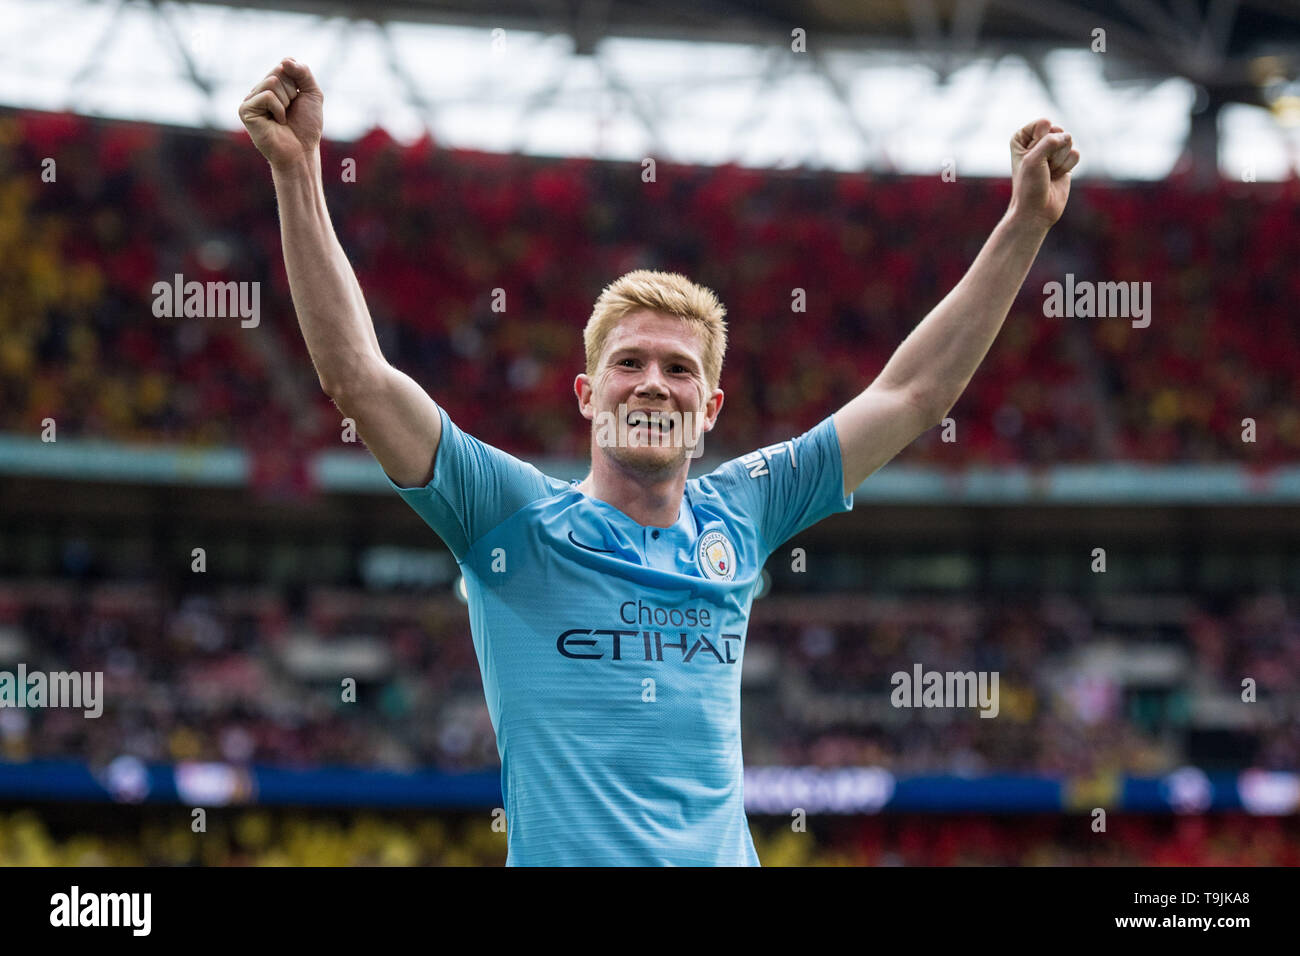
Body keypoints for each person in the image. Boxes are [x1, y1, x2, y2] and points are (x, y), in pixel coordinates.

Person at [240, 57, 1079, 865]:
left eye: (679, 369)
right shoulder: (510, 519)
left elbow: (912, 396)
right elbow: (357, 378)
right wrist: (298, 171)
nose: (652, 383)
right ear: (586, 394)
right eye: (629, 363)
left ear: (709, 409)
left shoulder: (743, 510)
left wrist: (1023, 225)